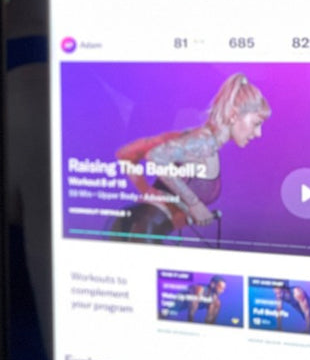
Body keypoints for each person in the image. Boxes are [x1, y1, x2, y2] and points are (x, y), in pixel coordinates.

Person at [112, 73, 270, 241]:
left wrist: (175, 203)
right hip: (144, 227)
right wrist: (194, 203)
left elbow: (126, 154)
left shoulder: (202, 143)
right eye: (256, 123)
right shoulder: (202, 143)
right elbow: (154, 157)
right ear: (233, 115)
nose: (258, 133)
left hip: (143, 226)